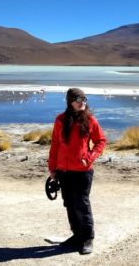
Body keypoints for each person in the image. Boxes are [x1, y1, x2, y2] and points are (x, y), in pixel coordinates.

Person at [48, 88, 106, 255]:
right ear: (70, 102)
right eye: (78, 100)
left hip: (82, 171)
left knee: (82, 203)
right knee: (69, 204)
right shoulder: (60, 120)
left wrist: (89, 157)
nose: (82, 103)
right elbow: (55, 145)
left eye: (84, 100)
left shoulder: (89, 120)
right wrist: (52, 168)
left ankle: (88, 238)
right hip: (63, 170)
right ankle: (77, 236)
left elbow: (100, 141)